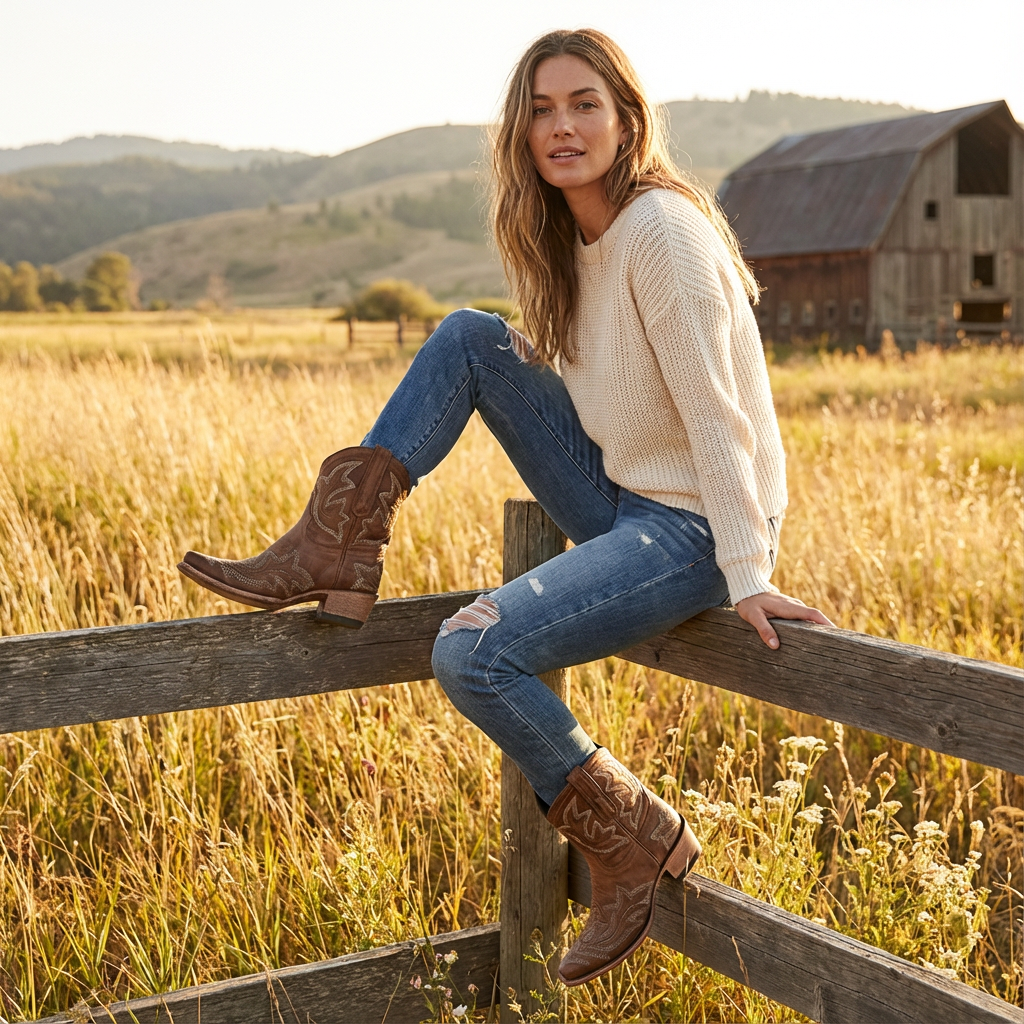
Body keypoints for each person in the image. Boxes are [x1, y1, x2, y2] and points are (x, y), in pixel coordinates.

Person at [178, 28, 832, 987]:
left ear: (626, 119)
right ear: (520, 133)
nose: (561, 126)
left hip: (689, 528)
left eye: (583, 105)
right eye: (540, 109)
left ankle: (633, 832)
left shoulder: (664, 232)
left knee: (470, 650)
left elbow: (716, 414)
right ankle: (338, 543)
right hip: (621, 497)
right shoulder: (564, 241)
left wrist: (748, 570)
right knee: (471, 339)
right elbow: (581, 391)